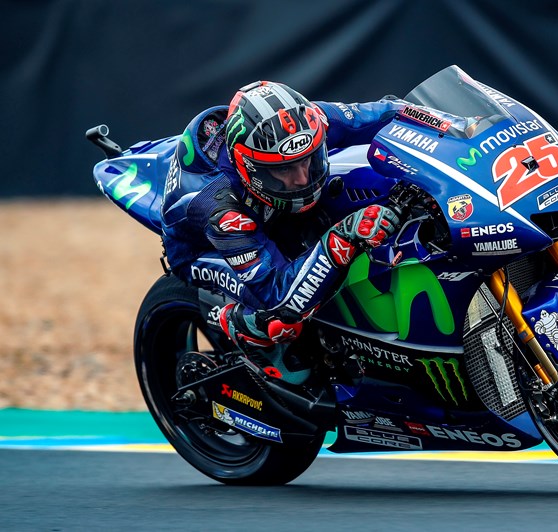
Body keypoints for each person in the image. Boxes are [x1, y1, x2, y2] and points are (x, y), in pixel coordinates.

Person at [161, 81, 406, 384]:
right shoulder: (222, 209)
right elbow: (280, 294)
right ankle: (241, 325)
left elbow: (389, 112)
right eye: (284, 169)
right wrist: (341, 237)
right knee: (283, 319)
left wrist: (453, 124)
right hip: (204, 250)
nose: (302, 178)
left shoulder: (305, 124)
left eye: (308, 160)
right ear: (250, 168)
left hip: (269, 209)